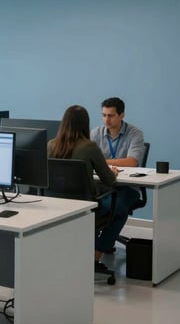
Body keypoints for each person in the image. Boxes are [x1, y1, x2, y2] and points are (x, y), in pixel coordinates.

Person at [48, 105, 119, 272]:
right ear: (85, 124)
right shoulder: (89, 146)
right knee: (120, 208)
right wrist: (114, 173)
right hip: (84, 207)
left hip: (55, 207)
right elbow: (108, 180)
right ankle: (96, 253)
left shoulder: (51, 145)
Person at [90, 97, 145, 256]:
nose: (106, 119)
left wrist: (102, 162)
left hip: (127, 187)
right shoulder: (96, 133)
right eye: (104, 115)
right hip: (103, 185)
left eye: (111, 115)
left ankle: (98, 251)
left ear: (122, 115)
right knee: (90, 207)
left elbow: (132, 161)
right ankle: (88, 247)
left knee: (118, 207)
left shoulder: (135, 134)